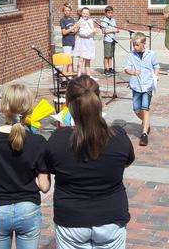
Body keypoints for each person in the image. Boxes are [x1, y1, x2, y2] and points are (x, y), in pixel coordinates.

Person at [45, 76, 135, 249]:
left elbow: (51, 166)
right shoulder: (118, 136)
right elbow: (126, 161)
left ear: (68, 106)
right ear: (99, 101)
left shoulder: (58, 139)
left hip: (71, 218)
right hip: (111, 217)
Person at [0, 84, 50, 249]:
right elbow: (44, 186)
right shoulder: (38, 142)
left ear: (4, 107)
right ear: (28, 109)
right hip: (28, 207)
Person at [124, 33, 160, 147]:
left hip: (148, 86)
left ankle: (144, 134)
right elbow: (126, 68)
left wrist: (155, 76)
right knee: (136, 109)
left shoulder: (151, 54)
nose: (135, 47)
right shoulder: (131, 55)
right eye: (134, 45)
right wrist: (133, 72)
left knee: (145, 108)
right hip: (136, 85)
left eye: (137, 45)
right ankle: (146, 122)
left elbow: (156, 66)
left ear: (144, 44)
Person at [72, 7, 97, 78]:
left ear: (89, 14)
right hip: (82, 42)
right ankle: (79, 76)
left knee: (88, 60)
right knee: (81, 60)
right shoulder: (80, 21)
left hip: (89, 42)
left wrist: (94, 32)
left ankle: (88, 76)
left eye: (87, 13)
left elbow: (93, 32)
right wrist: (92, 32)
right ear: (81, 14)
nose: (85, 15)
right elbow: (82, 33)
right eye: (84, 13)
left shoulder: (90, 21)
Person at [59, 3, 78, 73]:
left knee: (70, 62)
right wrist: (73, 28)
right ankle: (64, 78)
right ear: (63, 11)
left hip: (72, 42)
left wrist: (77, 28)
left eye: (68, 10)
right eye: (65, 10)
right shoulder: (62, 20)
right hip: (66, 43)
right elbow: (64, 32)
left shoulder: (72, 19)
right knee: (66, 61)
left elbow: (74, 31)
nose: (67, 12)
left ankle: (69, 77)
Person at [100, 6, 118, 77]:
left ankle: (110, 68)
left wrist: (116, 30)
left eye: (111, 13)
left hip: (113, 39)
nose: (110, 14)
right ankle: (105, 69)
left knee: (111, 55)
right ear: (105, 13)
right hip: (107, 40)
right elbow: (103, 31)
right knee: (106, 55)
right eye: (109, 13)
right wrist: (113, 30)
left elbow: (115, 28)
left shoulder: (113, 20)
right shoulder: (104, 20)